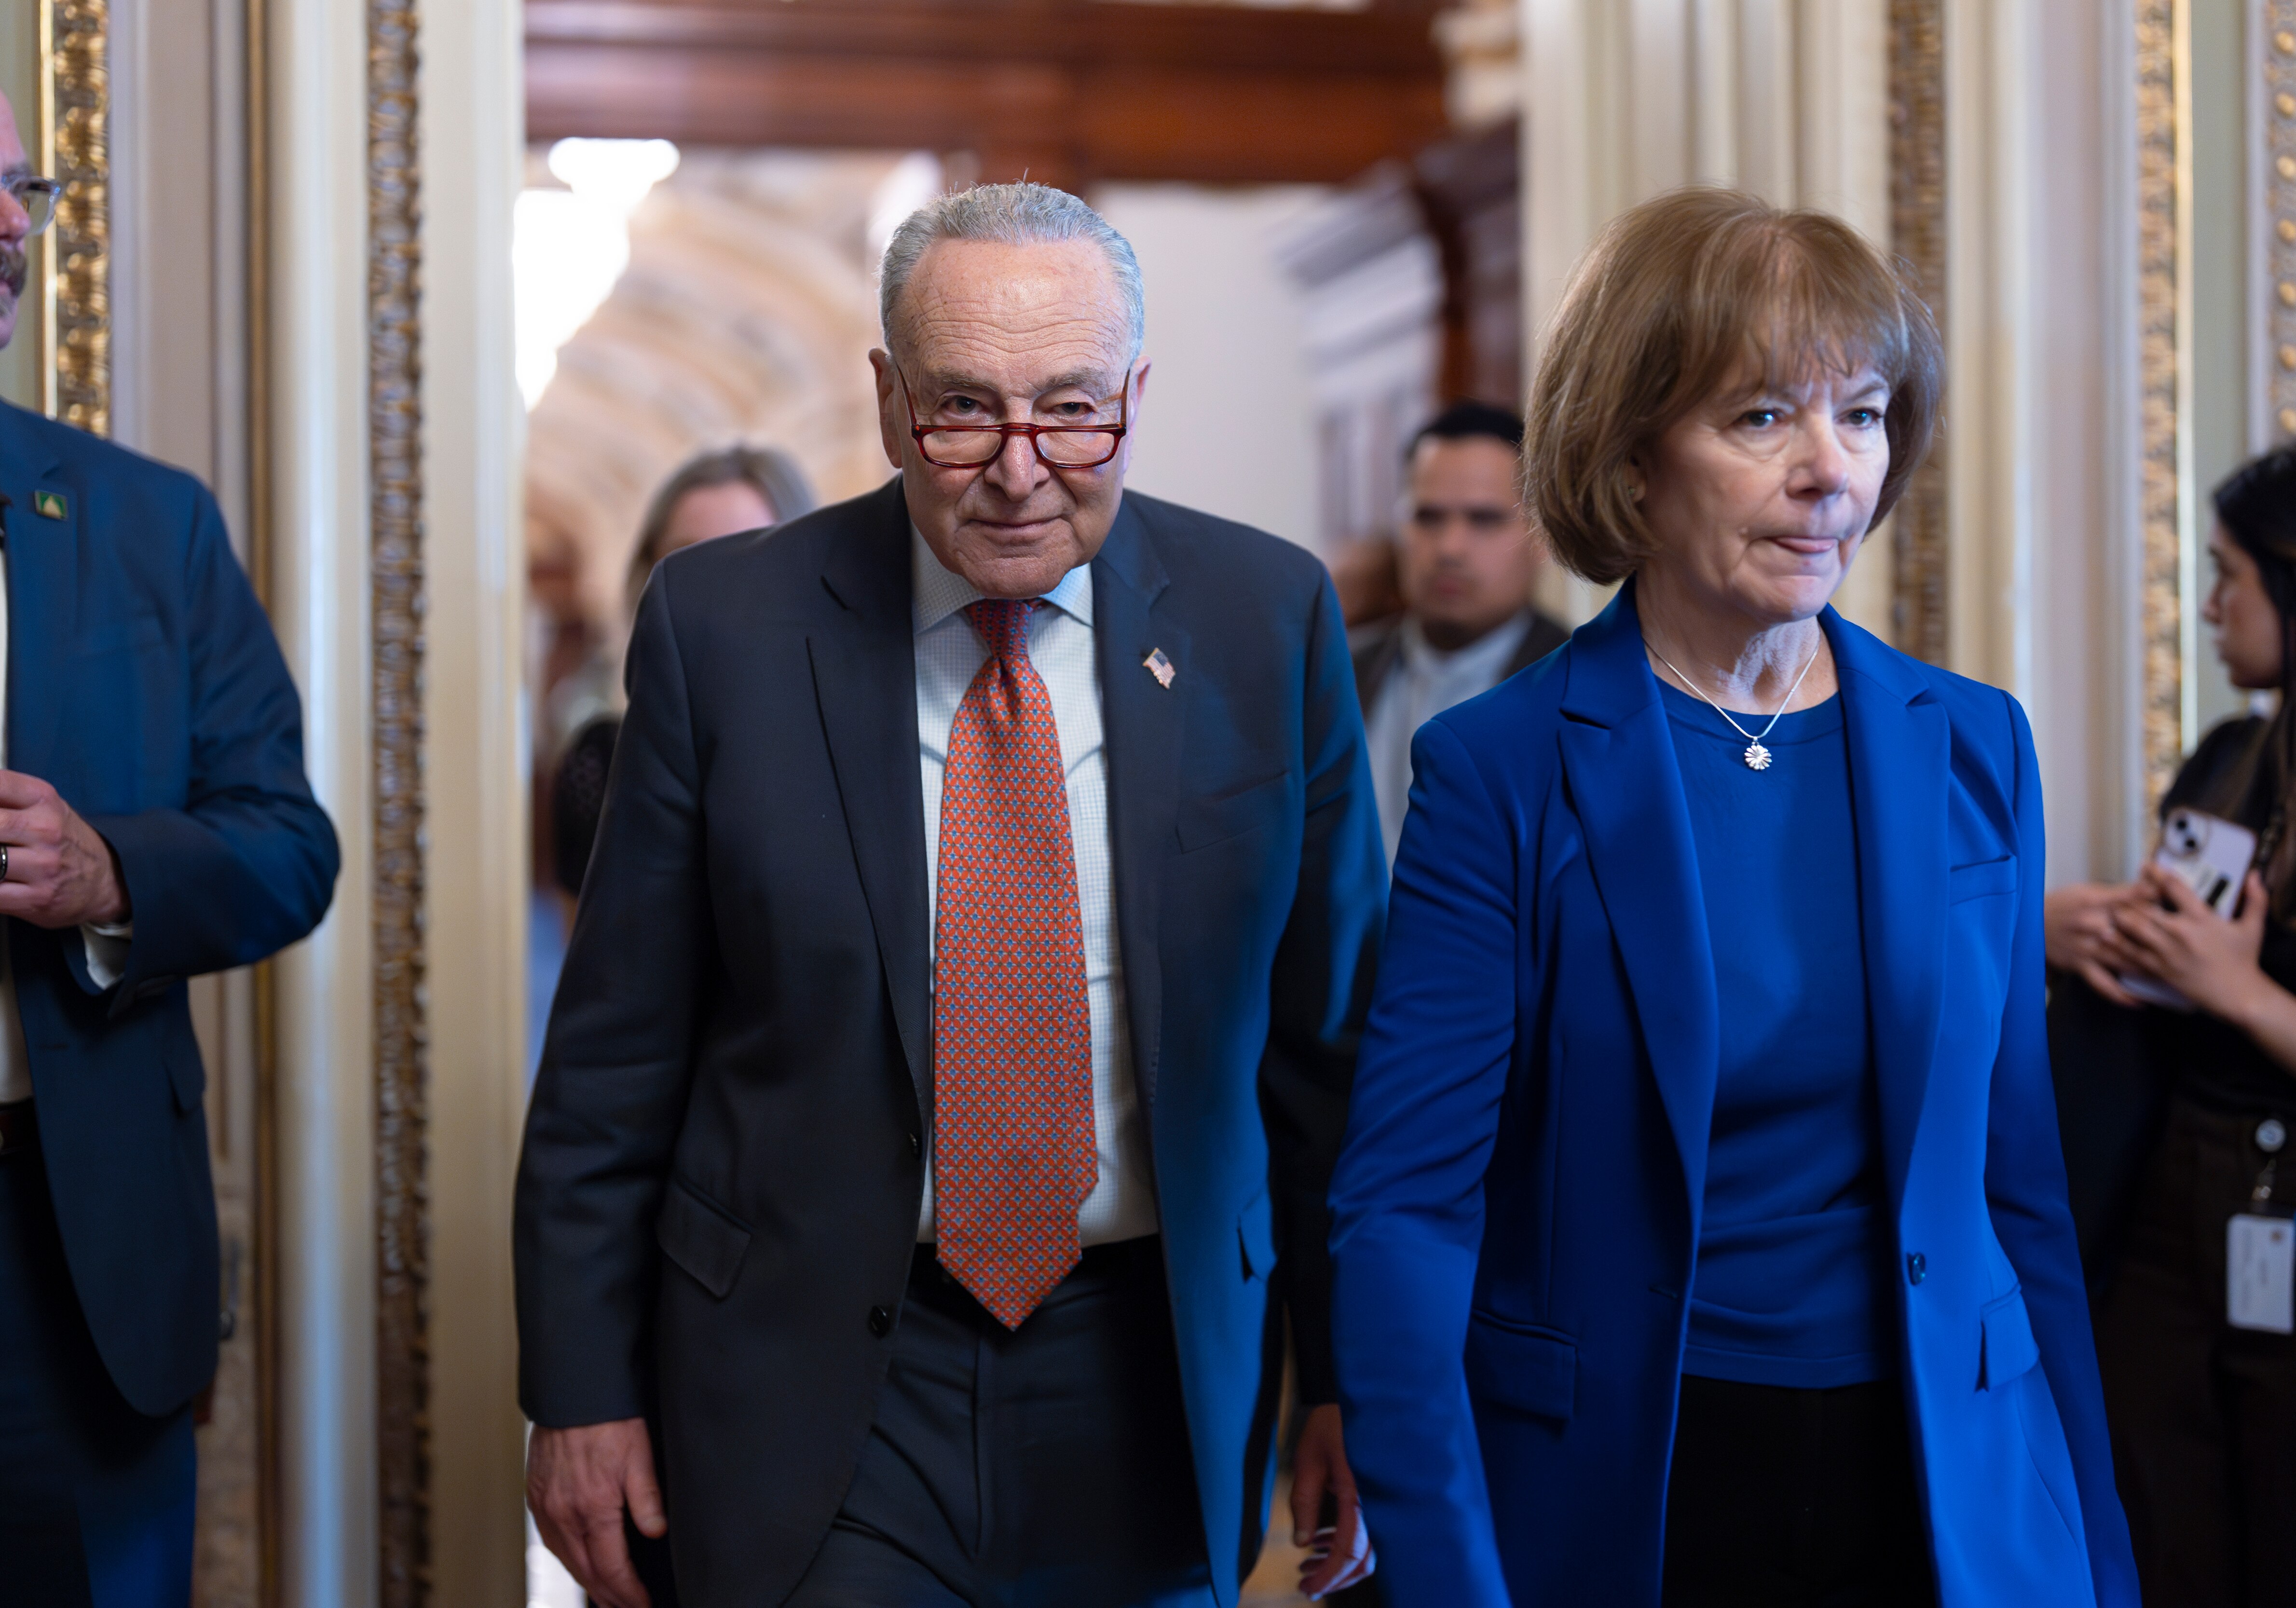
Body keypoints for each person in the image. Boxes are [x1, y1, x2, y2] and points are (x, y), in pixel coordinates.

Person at [515, 182, 1384, 1608]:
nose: (1019, 467)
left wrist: (1353, 1377)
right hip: (816, 1368)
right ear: (883, 397)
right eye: (963, 409)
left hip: (1150, 1365)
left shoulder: (1261, 622)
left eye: (1071, 409)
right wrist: (580, 1388)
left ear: (1135, 396)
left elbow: (1327, 1055)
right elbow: (617, 1056)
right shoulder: (727, 629)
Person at [1326, 187, 2135, 1608]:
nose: (1830, 472)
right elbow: (1406, 1209)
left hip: (1946, 1485)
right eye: (1762, 417)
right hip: (1630, 1487)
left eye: (1864, 415)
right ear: (1631, 460)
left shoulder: (1974, 744)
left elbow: (2020, 1196)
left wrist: (2093, 1551)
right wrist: (1446, 1575)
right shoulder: (1501, 766)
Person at [0, 8, 338, 1602]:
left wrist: (102, 875)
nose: (8, 225)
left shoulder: (146, 525)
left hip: (48, 1262)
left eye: (27, 186)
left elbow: (291, 846)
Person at [2048, 448, 2296, 1606]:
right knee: (2157, 1532)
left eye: (2227, 575)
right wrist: (2093, 938)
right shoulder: (2228, 757)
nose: (2206, 606)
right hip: (2167, 1199)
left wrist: (2242, 991)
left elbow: (2228, 983)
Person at [547, 445, 814, 895]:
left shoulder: (847, 760)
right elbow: (593, 954)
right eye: (686, 565)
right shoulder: (602, 767)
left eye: (750, 560)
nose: (715, 595)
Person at [1350, 401, 1566, 859]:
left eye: (1483, 519)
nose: (1450, 547)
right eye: (1428, 517)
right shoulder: (1335, 673)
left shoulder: (1588, 691)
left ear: (1542, 536)